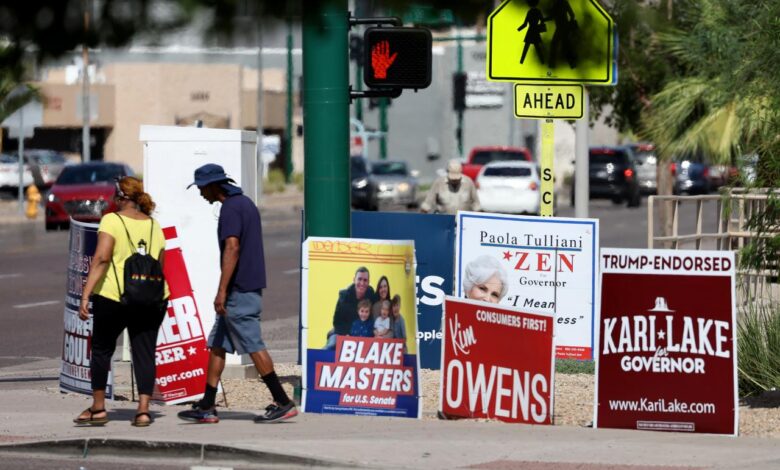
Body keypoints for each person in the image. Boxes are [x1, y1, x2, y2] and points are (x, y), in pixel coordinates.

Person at [178, 163, 296, 424]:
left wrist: (221, 290)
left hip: (239, 290)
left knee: (253, 344)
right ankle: (207, 405)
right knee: (218, 344)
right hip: (243, 288)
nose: (200, 193)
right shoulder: (245, 204)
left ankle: (283, 401)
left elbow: (232, 247)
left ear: (213, 186)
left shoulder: (230, 208)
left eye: (202, 188)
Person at [74, 176, 168, 427]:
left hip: (114, 296)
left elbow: (102, 258)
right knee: (145, 352)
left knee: (102, 349)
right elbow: (160, 265)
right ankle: (143, 411)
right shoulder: (154, 225)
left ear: (121, 197)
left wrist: (86, 293)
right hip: (151, 299)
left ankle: (98, 408)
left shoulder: (111, 220)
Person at [326, 267, 376, 348]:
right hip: (344, 333)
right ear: (354, 280)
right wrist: (346, 335)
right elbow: (337, 322)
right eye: (359, 279)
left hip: (364, 334)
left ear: (368, 282)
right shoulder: (344, 296)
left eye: (365, 280)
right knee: (331, 345)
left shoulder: (371, 294)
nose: (362, 283)